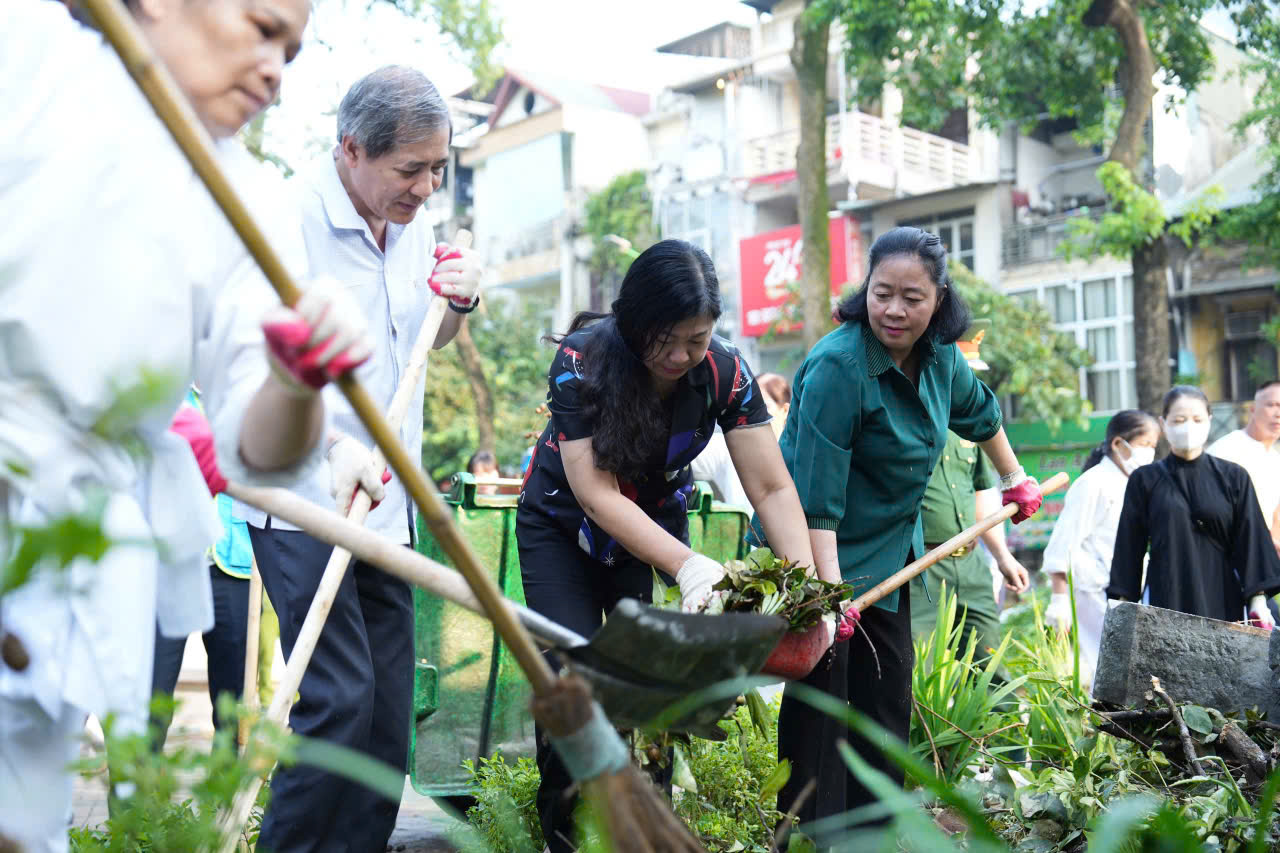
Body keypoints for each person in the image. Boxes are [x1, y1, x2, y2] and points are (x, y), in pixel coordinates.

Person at [0, 2, 375, 850]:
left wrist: (295, 380)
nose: (276, 67)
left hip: (66, 536)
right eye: (262, 25)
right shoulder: (22, 51)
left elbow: (261, 446)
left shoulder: (244, 198)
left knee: (21, 816)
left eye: (292, 49)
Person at [238, 66, 485, 853]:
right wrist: (334, 446)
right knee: (339, 698)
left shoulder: (409, 222)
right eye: (410, 169)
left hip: (389, 502)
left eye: (438, 168)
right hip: (305, 490)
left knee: (385, 719)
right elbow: (249, 365)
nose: (427, 186)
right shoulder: (284, 220)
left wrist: (458, 305)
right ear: (351, 148)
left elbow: (423, 341)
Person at [517, 239, 816, 853]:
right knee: (571, 679)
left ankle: (644, 841)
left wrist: (808, 585)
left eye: (697, 339)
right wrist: (688, 565)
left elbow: (771, 485)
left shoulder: (726, 373)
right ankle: (565, 838)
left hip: (647, 534)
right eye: (666, 340)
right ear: (635, 322)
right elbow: (596, 495)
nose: (681, 355)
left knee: (648, 690)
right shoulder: (583, 359)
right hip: (562, 528)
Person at [755, 226, 1044, 839]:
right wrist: (829, 601)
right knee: (823, 705)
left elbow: (983, 414)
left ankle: (877, 833)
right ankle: (808, 838)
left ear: (938, 299)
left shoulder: (941, 358)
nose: (894, 309)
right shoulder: (840, 365)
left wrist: (1015, 479)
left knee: (886, 699)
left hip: (889, 557)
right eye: (882, 293)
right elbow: (816, 502)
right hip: (812, 555)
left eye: (912, 297)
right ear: (867, 291)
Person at [1110, 386, 1280, 627]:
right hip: (1166, 594)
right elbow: (1130, 546)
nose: (1188, 426)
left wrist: (1258, 601)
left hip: (1222, 595)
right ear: (1163, 423)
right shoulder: (1145, 480)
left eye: (1197, 419)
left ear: (1209, 421)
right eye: (1179, 419)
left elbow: (1251, 540)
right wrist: (1122, 603)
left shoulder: (1233, 477)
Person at [908, 323, 1030, 658]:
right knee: (920, 670)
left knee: (989, 665)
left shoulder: (975, 430)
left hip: (971, 564)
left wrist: (1003, 557)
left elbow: (982, 495)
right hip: (920, 568)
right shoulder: (904, 423)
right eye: (964, 377)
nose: (969, 387)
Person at [150, 391, 258, 747]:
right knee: (152, 693)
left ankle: (224, 798)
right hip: (172, 560)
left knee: (232, 701)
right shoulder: (166, 390)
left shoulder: (245, 389)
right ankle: (135, 796)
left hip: (233, 561)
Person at [1042, 409, 1159, 685]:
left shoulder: (1132, 483)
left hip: (1123, 590)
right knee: (1100, 668)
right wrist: (1059, 601)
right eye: (1145, 445)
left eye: (1153, 447)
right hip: (1093, 590)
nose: (1150, 453)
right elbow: (1063, 543)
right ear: (1119, 444)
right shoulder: (1092, 483)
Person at [689, 372, 791, 511]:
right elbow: (681, 453)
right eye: (750, 407)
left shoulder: (797, 456)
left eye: (764, 407)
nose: (756, 416)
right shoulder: (731, 447)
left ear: (785, 410)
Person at [1208, 380, 1280, 556]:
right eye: (1272, 405)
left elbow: (1275, 516)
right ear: (1253, 410)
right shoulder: (1225, 451)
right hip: (1227, 557)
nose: (1278, 413)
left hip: (1263, 558)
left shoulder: (1275, 457)